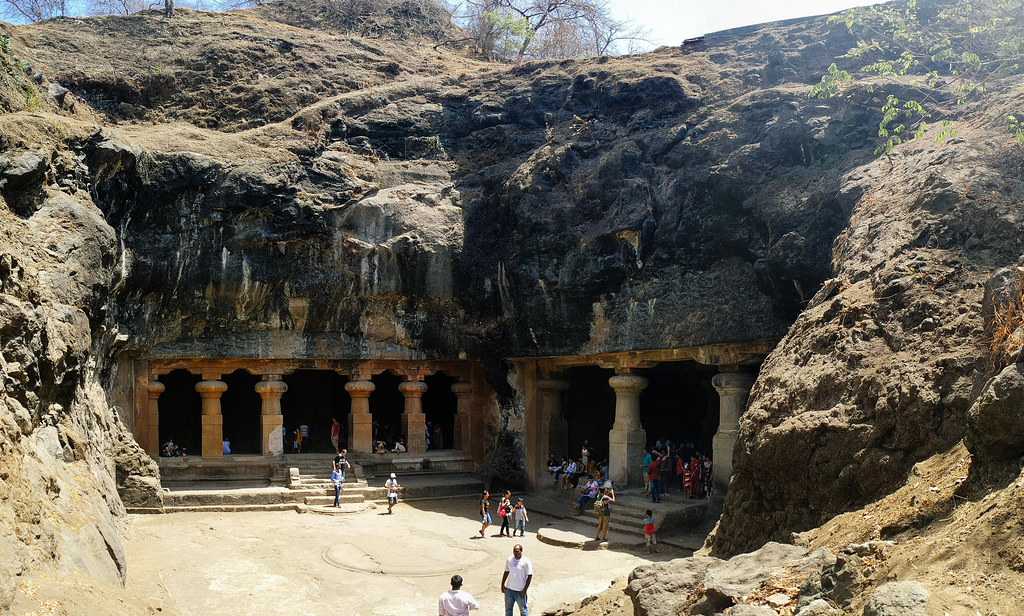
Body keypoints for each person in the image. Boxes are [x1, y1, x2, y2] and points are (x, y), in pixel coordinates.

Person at [501, 544, 533, 616]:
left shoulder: (526, 561)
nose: (515, 553)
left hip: (520, 591)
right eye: (514, 551)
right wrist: (502, 585)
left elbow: (530, 576)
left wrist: (524, 590)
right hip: (509, 590)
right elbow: (506, 571)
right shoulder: (509, 560)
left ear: (521, 551)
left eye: (517, 551)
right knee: (508, 610)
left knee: (523, 611)